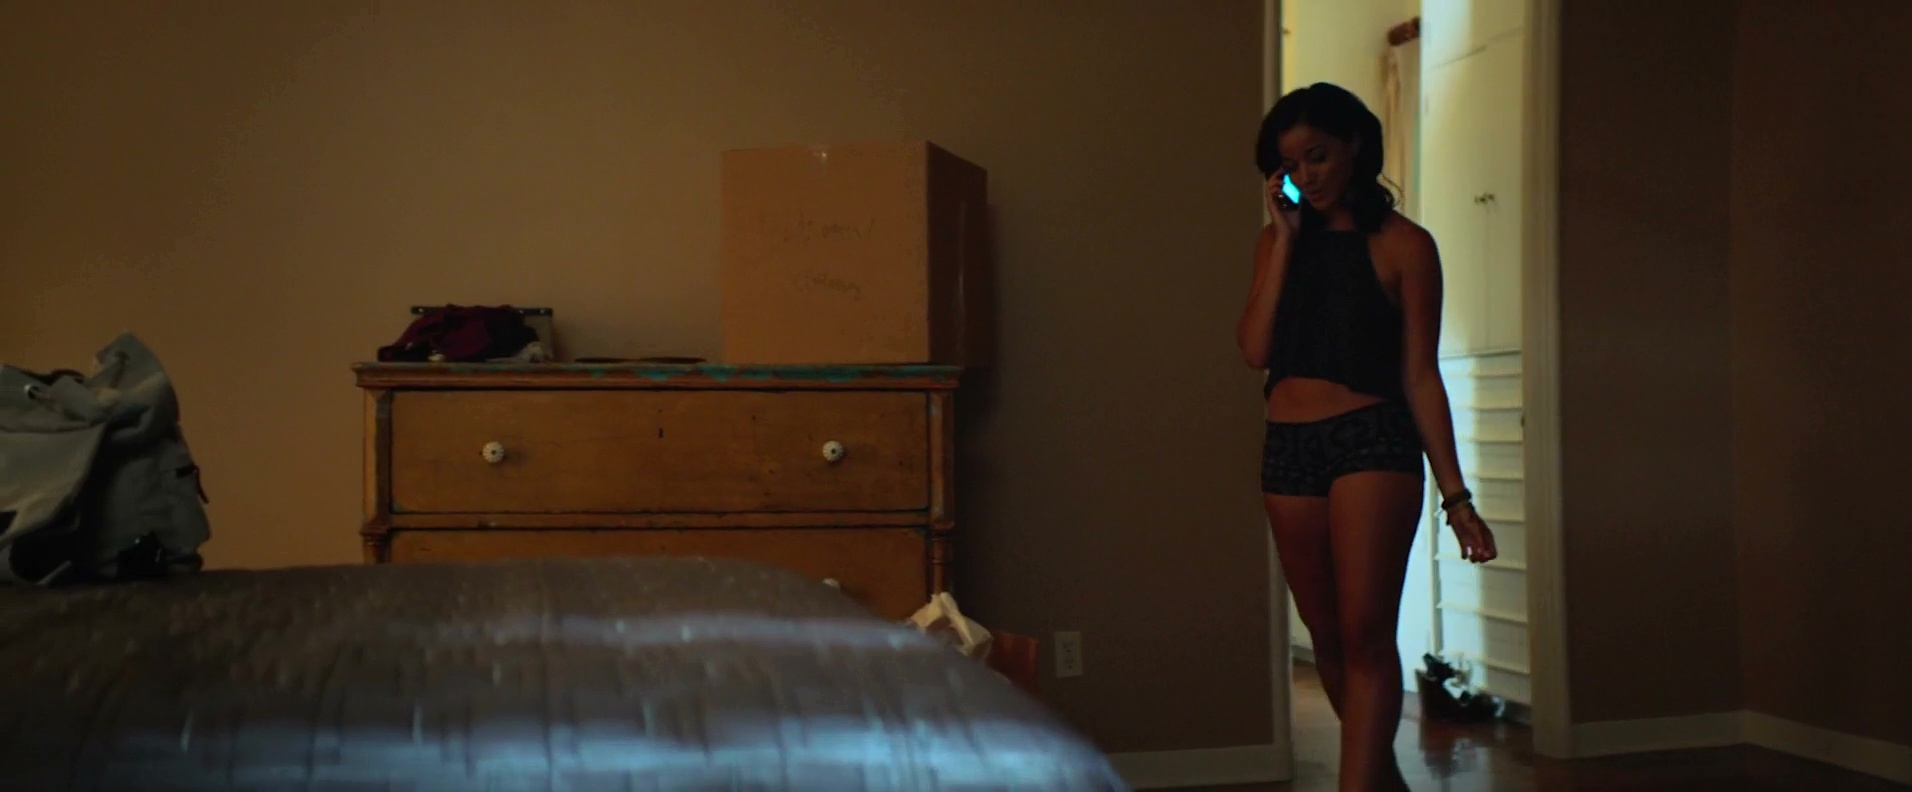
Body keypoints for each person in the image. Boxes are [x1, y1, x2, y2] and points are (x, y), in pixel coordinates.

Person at [1235, 82, 1499, 792]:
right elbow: (1255, 350)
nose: (1307, 174)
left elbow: (1420, 375)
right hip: (1288, 450)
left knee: (1364, 633)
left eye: (1318, 155)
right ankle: (1382, 781)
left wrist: (1457, 497)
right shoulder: (1276, 243)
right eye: (1291, 164)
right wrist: (1285, 241)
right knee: (1325, 635)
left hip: (1372, 441)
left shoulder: (1406, 245)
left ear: (1355, 145)